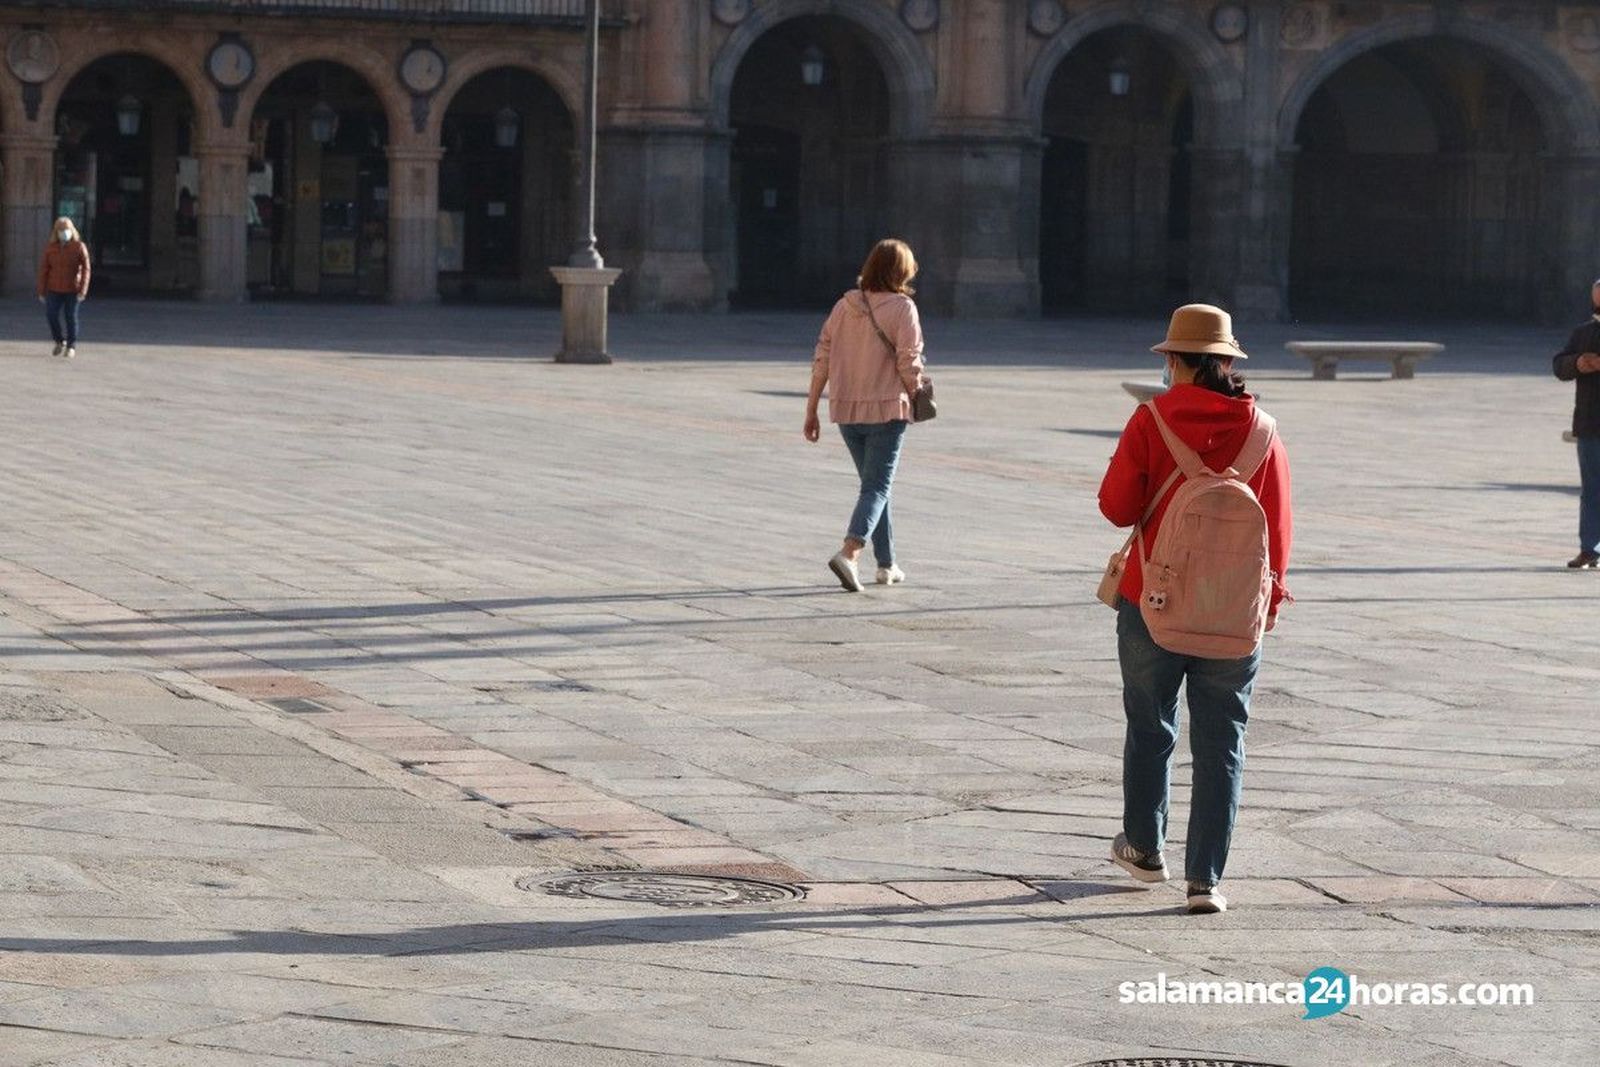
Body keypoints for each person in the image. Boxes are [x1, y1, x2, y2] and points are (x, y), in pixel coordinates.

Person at [1098, 304, 1293, 914]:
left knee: (1150, 723)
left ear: (1176, 362)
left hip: (1152, 597)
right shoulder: (1263, 429)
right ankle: (1205, 879)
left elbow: (1116, 507)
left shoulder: (1150, 420)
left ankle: (1144, 847)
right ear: (1229, 362)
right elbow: (1279, 528)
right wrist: (1271, 599)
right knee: (1222, 741)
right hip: (1235, 610)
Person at [804, 238, 926, 592]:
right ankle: (850, 551)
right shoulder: (903, 308)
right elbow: (909, 360)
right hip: (887, 409)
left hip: (846, 411)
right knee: (876, 486)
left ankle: (886, 564)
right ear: (901, 271)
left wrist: (811, 408)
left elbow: (821, 357)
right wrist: (918, 394)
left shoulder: (844, 306)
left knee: (873, 487)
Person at [1552, 279, 1600, 569]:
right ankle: (1590, 549)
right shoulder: (1583, 333)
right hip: (1590, 424)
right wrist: (1578, 363)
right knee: (1592, 489)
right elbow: (1559, 365)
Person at [37, 217, 91, 359]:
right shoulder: (51, 248)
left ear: (72, 230)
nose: (64, 232)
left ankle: (71, 346)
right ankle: (59, 341)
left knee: (70, 317)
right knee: (51, 315)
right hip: (54, 288)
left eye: (66, 229)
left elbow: (86, 269)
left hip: (72, 289)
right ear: (56, 231)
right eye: (61, 230)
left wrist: (82, 289)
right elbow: (44, 270)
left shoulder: (79, 247)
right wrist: (41, 291)